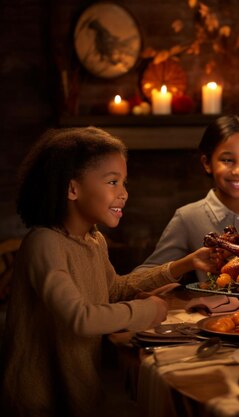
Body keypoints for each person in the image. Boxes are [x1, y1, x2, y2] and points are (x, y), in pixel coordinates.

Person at [0, 127, 215, 417]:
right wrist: (147, 310)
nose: (124, 193)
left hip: (80, 390)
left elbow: (113, 290)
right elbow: (81, 318)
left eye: (124, 183)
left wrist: (185, 264)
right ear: (72, 188)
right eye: (113, 182)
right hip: (37, 400)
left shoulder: (93, 239)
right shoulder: (44, 243)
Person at [135, 114, 239, 281]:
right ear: (207, 163)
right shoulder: (188, 217)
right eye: (227, 160)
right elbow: (140, 278)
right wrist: (187, 263)